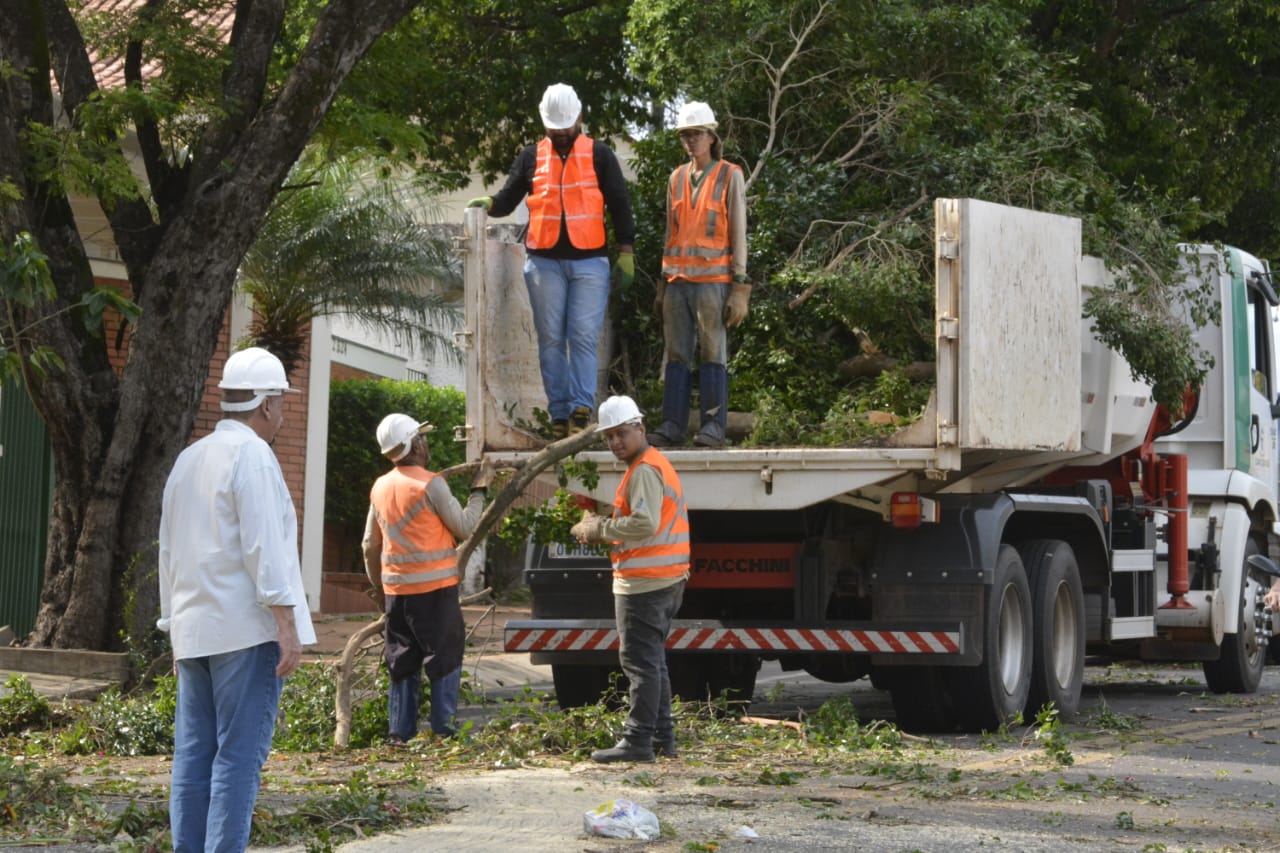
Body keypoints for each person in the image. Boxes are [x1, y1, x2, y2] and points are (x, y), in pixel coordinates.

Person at [157, 346, 316, 853]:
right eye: (283, 405)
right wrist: (286, 626)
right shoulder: (253, 456)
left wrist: (172, 631)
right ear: (266, 404)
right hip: (245, 633)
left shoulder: (189, 458)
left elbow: (169, 550)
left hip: (193, 631)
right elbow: (264, 546)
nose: (284, 416)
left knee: (193, 756)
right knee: (237, 758)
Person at [467, 82, 636, 440]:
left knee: (583, 336)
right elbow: (510, 197)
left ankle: (581, 408)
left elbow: (620, 202)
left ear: (580, 119)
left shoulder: (599, 155)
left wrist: (626, 250)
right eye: (554, 128)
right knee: (551, 339)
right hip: (544, 262)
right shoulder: (531, 156)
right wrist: (490, 204)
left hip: (589, 261)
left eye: (566, 127)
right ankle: (559, 412)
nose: (560, 134)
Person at [570, 395, 690, 762]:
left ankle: (638, 742)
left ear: (641, 428)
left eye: (621, 433)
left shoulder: (644, 470)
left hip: (645, 583)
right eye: (608, 437)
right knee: (653, 663)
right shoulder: (650, 465)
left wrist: (597, 528)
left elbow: (644, 523)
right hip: (663, 578)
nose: (614, 443)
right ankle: (661, 739)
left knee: (639, 664)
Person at [362, 413, 495, 741]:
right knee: (444, 658)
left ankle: (398, 736)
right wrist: (479, 491)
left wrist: (380, 590)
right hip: (435, 591)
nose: (427, 443)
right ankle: (442, 735)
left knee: (401, 660)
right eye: (423, 438)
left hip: (396, 592)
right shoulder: (431, 483)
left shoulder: (380, 487)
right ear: (415, 444)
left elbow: (369, 545)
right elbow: (464, 527)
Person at [649, 102, 750, 449]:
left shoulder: (729, 174)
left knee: (712, 352)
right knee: (676, 354)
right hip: (677, 282)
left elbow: (738, 232)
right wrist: (662, 286)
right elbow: (669, 234)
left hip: (713, 283)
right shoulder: (676, 178)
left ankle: (713, 427)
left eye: (696, 134)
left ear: (711, 136)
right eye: (685, 135)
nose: (690, 140)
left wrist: (740, 287)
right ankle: (672, 426)